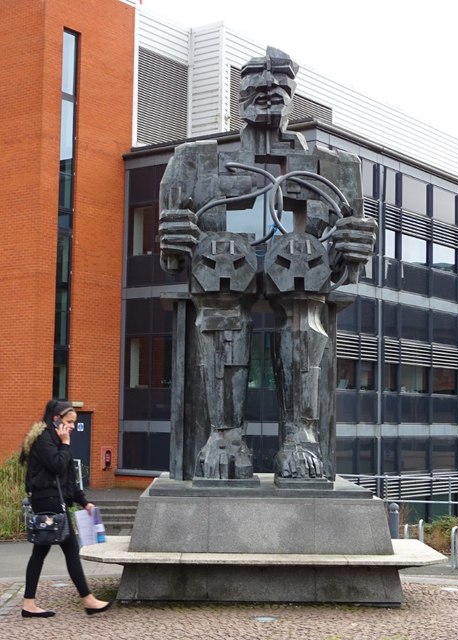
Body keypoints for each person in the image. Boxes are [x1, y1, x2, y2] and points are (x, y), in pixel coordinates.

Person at [158, 47, 377, 482]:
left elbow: (346, 263)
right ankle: (224, 436)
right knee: (222, 311)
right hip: (222, 280)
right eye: (256, 83)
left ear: (294, 94)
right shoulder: (194, 161)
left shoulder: (335, 168)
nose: (267, 92)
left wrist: (353, 249)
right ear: (238, 92)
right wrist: (173, 237)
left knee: (303, 314)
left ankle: (301, 438)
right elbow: (173, 256)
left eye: (279, 86)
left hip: (299, 284)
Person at [19, 400, 113, 617]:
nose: (72, 426)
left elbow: (67, 478)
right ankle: (87, 600)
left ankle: (29, 603)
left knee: (42, 553)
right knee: (69, 550)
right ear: (56, 419)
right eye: (69, 422)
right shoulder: (45, 440)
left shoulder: (55, 440)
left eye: (73, 422)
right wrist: (66, 443)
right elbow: (57, 465)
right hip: (48, 501)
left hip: (54, 500)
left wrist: (84, 502)